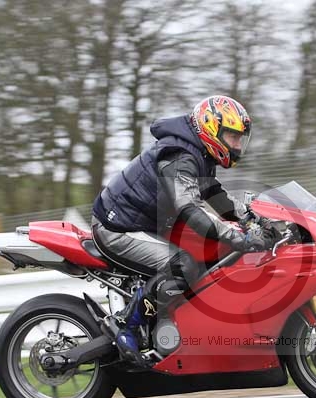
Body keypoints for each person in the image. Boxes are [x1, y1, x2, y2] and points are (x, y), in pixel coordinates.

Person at [91, 95, 268, 367]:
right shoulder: (181, 155)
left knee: (206, 256)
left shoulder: (198, 152)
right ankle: (125, 326)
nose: (236, 145)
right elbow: (189, 208)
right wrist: (240, 237)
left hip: (142, 223)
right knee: (182, 265)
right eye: (232, 137)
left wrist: (254, 218)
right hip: (118, 226)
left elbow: (215, 196)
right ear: (212, 129)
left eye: (239, 138)